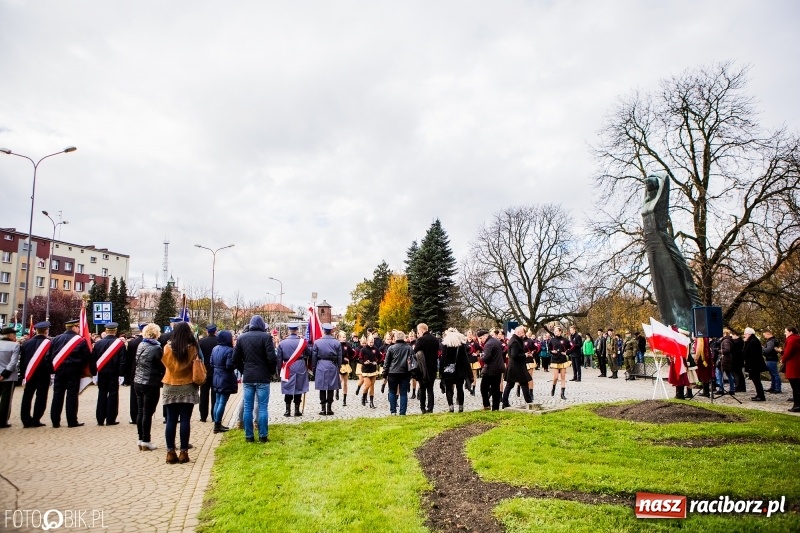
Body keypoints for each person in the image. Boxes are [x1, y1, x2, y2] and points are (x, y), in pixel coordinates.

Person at [233, 315, 277, 442]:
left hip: (248, 376)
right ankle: (263, 436)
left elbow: (235, 359)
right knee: (263, 407)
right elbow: (272, 358)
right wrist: (270, 371)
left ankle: (249, 436)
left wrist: (243, 370)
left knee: (248, 407)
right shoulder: (266, 337)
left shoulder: (241, 338)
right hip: (263, 376)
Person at [49, 318, 92, 428]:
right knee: (72, 395)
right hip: (74, 370)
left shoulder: (56, 339)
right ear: (73, 327)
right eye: (78, 327)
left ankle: (55, 421)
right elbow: (86, 356)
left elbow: (49, 356)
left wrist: (53, 369)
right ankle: (72, 421)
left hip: (59, 370)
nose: (78, 329)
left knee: (57, 394)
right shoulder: (81, 340)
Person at [133, 323, 164, 451]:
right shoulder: (156, 348)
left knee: (141, 411)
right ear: (156, 334)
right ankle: (146, 440)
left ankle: (140, 439)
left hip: (138, 381)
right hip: (150, 383)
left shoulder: (142, 344)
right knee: (148, 413)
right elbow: (161, 365)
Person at [91, 322, 126, 426]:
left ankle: (100, 419)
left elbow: (93, 360)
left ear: (106, 331)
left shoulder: (98, 344)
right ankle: (111, 419)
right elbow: (122, 361)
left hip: (101, 372)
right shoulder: (120, 344)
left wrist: (94, 374)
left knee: (101, 393)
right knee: (113, 394)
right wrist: (121, 374)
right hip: (114, 373)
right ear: (115, 331)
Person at [19, 321, 52, 428]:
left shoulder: (26, 343)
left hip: (29, 373)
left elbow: (22, 359)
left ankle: (25, 420)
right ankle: (36, 419)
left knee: (27, 396)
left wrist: (24, 374)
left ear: (36, 331)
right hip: (43, 373)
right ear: (46, 330)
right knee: (41, 396)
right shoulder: (49, 343)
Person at [276, 324, 310, 418]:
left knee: (288, 388)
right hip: (299, 365)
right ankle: (297, 410)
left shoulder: (282, 343)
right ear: (297, 330)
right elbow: (309, 353)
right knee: (299, 388)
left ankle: (287, 411)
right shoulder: (302, 342)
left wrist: (279, 371)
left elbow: (279, 359)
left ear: (289, 331)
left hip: (287, 367)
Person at [439, 328, 473, 412]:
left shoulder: (445, 345)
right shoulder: (461, 345)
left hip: (448, 370)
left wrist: (441, 371)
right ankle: (461, 406)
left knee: (449, 389)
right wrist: (468, 372)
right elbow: (465, 359)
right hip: (459, 370)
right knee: (460, 388)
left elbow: (442, 359)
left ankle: (451, 406)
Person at [312, 323, 342, 416]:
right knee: (331, 387)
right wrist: (339, 367)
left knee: (322, 387)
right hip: (332, 365)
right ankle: (329, 408)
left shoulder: (317, 342)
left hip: (321, 365)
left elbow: (314, 357)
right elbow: (340, 357)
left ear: (323, 331)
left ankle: (322, 409)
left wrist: (314, 368)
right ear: (331, 331)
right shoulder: (337, 342)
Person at [210, 330, 237, 432]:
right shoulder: (230, 350)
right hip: (226, 378)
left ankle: (217, 422)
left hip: (216, 376)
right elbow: (229, 366)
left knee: (217, 401)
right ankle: (217, 424)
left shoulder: (215, 349)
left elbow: (211, 363)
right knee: (222, 402)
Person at [382, 330, 413, 415]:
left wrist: (384, 373)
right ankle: (402, 412)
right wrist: (411, 373)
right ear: (404, 338)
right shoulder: (408, 348)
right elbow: (412, 361)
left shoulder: (391, 348)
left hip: (393, 373)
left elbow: (387, 362)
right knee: (403, 393)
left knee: (392, 391)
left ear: (395, 338)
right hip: (405, 372)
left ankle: (393, 411)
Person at [502, 326, 533, 408]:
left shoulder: (516, 340)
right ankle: (528, 400)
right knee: (517, 384)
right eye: (522, 333)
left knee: (517, 384)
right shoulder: (515, 341)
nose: (523, 334)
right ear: (518, 332)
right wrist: (525, 355)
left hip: (516, 366)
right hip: (516, 366)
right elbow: (514, 355)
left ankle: (505, 402)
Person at [414, 323, 439, 414]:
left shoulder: (421, 340)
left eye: (418, 332)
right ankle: (430, 408)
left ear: (421, 330)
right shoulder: (435, 340)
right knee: (430, 388)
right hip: (433, 366)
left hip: (422, 367)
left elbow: (415, 351)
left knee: (422, 388)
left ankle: (423, 408)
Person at [477, 329, 504, 410]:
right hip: (499, 368)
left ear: (485, 336)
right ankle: (495, 408)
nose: (481, 340)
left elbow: (486, 358)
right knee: (495, 388)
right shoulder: (496, 341)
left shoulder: (488, 344)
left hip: (490, 369)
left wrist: (481, 356)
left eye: (481, 338)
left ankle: (486, 405)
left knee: (483, 387)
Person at [124, 323, 145, 424]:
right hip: (147, 374)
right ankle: (145, 416)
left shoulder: (132, 343)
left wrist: (126, 377)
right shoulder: (154, 343)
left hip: (134, 372)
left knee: (134, 396)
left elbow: (128, 361)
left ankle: (134, 417)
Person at [0, 326, 21, 427]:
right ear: (10, 335)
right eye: (14, 334)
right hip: (8, 376)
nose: (15, 336)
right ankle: (3, 421)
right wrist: (4, 374)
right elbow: (13, 362)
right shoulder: (14, 345)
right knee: (6, 400)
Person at [199, 323, 219, 422]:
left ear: (207, 331)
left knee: (203, 394)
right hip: (216, 371)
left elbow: (198, 356)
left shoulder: (202, 341)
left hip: (204, 371)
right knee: (215, 395)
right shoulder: (218, 341)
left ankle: (203, 416)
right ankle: (214, 416)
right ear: (215, 331)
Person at [742, 327, 767, 402]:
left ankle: (761, 395)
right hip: (753, 364)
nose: (744, 335)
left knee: (756, 380)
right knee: (755, 380)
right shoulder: (752, 341)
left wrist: (750, 366)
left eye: (745, 334)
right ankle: (759, 394)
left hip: (754, 365)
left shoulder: (753, 342)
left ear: (749, 334)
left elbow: (750, 354)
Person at [548, 326, 571, 400]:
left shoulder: (565, 340)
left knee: (563, 377)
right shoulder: (552, 340)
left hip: (563, 360)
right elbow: (549, 349)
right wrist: (552, 351)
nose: (555, 332)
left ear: (560, 332)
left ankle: (562, 394)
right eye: (554, 331)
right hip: (555, 359)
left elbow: (571, 347)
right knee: (555, 378)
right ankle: (553, 387)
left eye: (557, 331)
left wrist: (567, 352)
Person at [779, 327, 799, 412]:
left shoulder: (791, 340)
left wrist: (783, 360)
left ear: (791, 332)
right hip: (797, 365)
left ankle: (797, 405)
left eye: (786, 331)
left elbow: (788, 352)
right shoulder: (797, 338)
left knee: (795, 387)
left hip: (793, 366)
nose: (785, 333)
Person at [358, 334, 380, 408]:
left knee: (372, 386)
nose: (371, 344)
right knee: (368, 384)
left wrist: (377, 362)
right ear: (367, 341)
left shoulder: (375, 349)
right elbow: (360, 358)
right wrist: (364, 362)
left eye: (372, 342)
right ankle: (363, 397)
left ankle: (371, 402)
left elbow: (380, 357)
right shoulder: (363, 349)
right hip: (365, 369)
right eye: (370, 342)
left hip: (373, 369)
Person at [762, 329, 781, 394]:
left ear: (768, 334)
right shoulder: (774, 340)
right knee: (772, 374)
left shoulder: (771, 341)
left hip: (771, 359)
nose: (764, 337)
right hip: (771, 359)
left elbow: (768, 350)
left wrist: (762, 347)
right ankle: (773, 387)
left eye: (764, 335)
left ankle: (777, 388)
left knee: (775, 374)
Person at [338, 331, 354, 405]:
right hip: (339, 365)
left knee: (345, 382)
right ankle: (337, 390)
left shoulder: (347, 345)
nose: (344, 338)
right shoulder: (337, 345)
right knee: (340, 380)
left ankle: (344, 399)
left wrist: (349, 359)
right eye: (343, 337)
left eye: (345, 337)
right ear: (339, 338)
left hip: (346, 365)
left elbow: (353, 353)